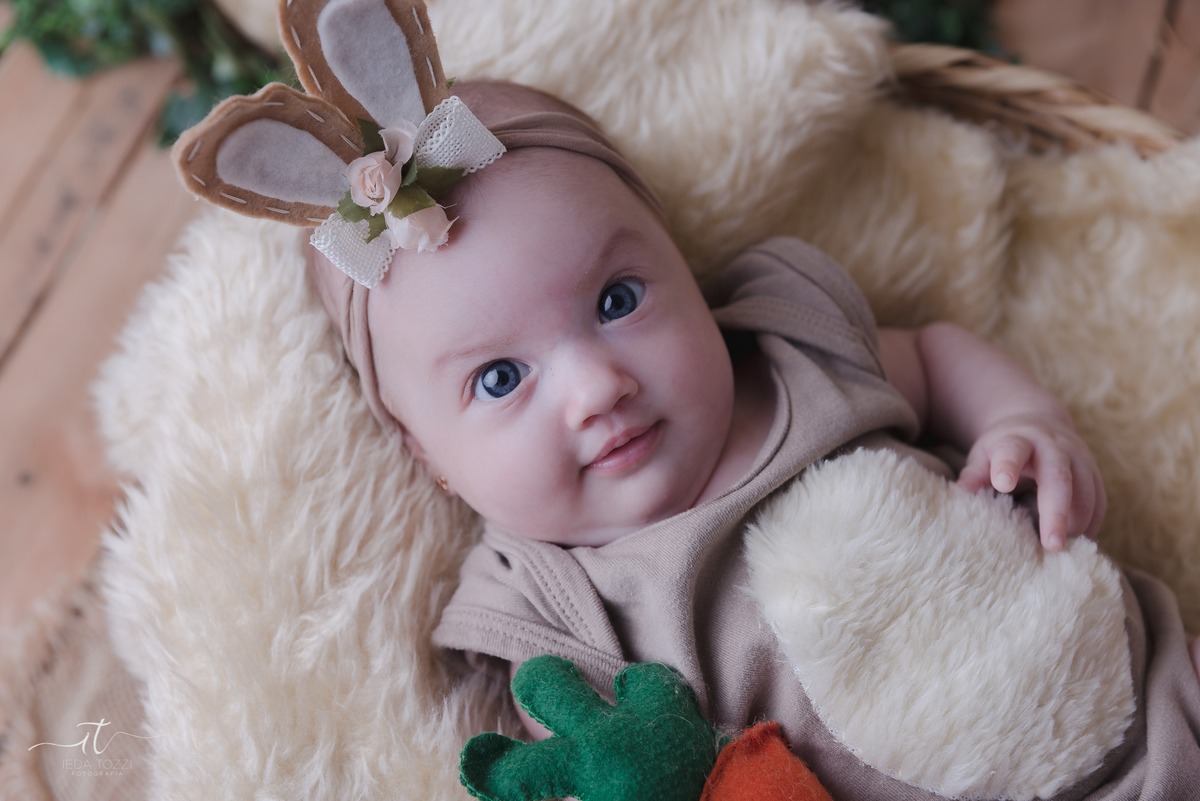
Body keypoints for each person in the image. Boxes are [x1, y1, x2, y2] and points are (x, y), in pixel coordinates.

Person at [308, 80, 1200, 798]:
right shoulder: (546, 599)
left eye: (618, 300)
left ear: (680, 263)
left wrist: (1021, 422)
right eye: (501, 378)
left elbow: (933, 355)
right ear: (429, 458)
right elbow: (609, 763)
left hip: (1160, 693)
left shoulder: (788, 344)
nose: (596, 388)